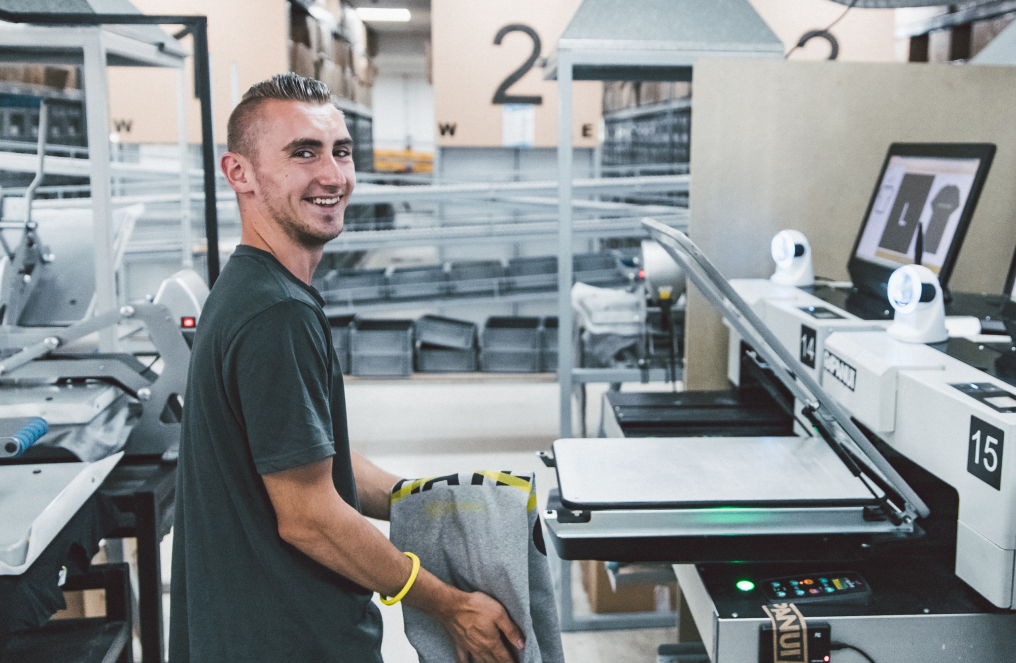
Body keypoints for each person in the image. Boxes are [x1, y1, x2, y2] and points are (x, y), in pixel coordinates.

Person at [169, 73, 525, 663]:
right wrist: (450, 605)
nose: (333, 176)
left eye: (341, 151)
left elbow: (314, 459)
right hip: (286, 640)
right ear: (240, 173)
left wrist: (428, 500)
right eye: (303, 153)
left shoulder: (258, 288)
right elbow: (310, 518)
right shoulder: (275, 313)